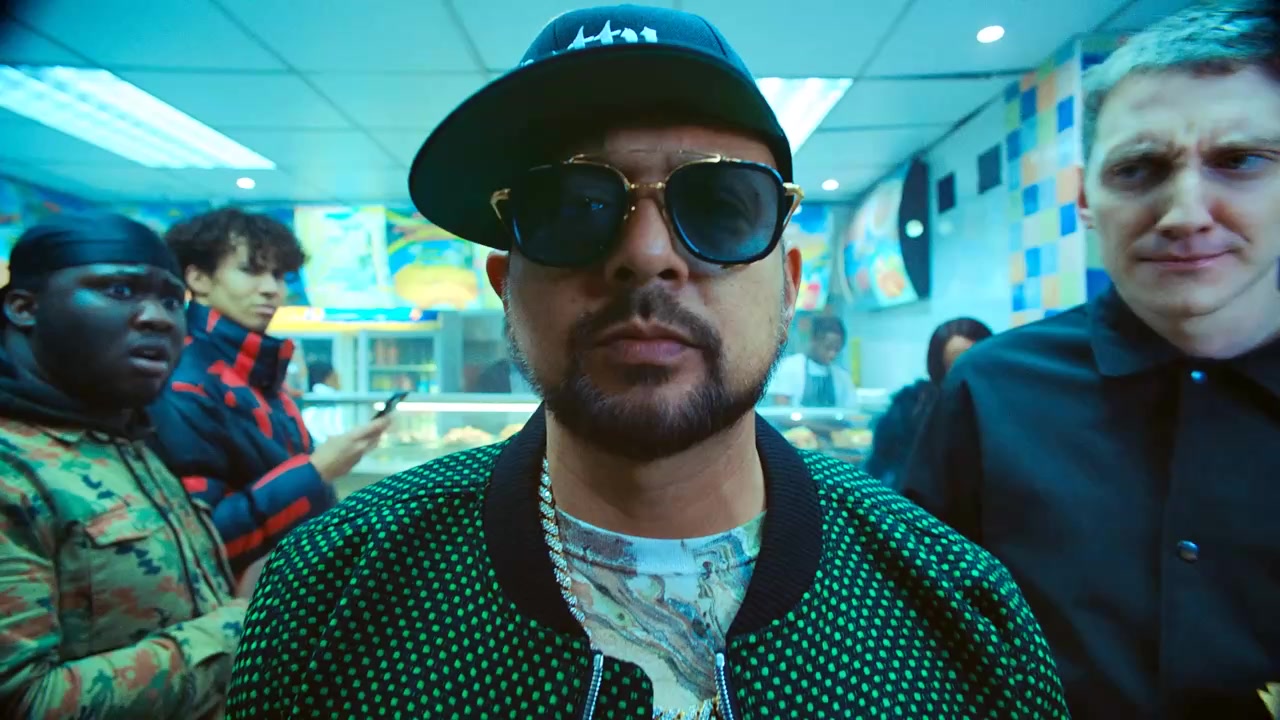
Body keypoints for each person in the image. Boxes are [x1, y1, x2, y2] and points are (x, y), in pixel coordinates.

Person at [226, 6, 1068, 720]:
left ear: (790, 284)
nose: (648, 255)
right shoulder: (327, 594)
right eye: (570, 209)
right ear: (506, 287)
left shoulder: (964, 611)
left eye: (721, 206)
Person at [900, 2, 1280, 718]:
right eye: (1139, 169)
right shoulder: (991, 394)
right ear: (1085, 199)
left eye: (1239, 161)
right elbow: (919, 646)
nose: (1185, 213)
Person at [0, 213, 245, 718]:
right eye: (118, 290)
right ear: (25, 308)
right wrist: (242, 627)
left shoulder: (126, 440)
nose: (159, 318)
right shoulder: (11, 466)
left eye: (173, 301)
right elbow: (24, 701)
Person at [147, 207, 391, 579]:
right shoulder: (185, 381)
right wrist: (316, 470)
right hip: (239, 604)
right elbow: (201, 539)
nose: (271, 289)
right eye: (250, 271)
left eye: (278, 275)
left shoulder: (256, 371)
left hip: (285, 586)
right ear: (198, 279)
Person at [865, 317, 992, 488]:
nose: (966, 370)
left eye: (973, 359)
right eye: (957, 361)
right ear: (939, 364)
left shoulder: (1001, 410)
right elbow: (881, 469)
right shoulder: (910, 409)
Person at [766, 315, 857, 407]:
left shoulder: (842, 377)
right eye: (828, 347)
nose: (832, 354)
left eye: (837, 349)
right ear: (814, 340)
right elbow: (781, 409)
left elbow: (851, 409)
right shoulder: (789, 367)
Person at [300, 360, 345, 444]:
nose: (339, 381)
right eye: (336, 377)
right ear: (328, 378)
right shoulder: (328, 399)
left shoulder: (311, 401)